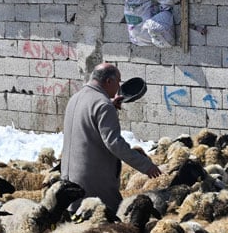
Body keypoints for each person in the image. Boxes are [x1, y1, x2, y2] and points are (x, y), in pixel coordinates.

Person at [61, 63, 161, 213]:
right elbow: (114, 143)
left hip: (70, 178)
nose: (119, 86)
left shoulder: (75, 98)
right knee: (111, 218)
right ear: (109, 81)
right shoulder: (103, 105)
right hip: (93, 183)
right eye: (118, 81)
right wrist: (146, 165)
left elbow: (89, 123)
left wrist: (110, 105)